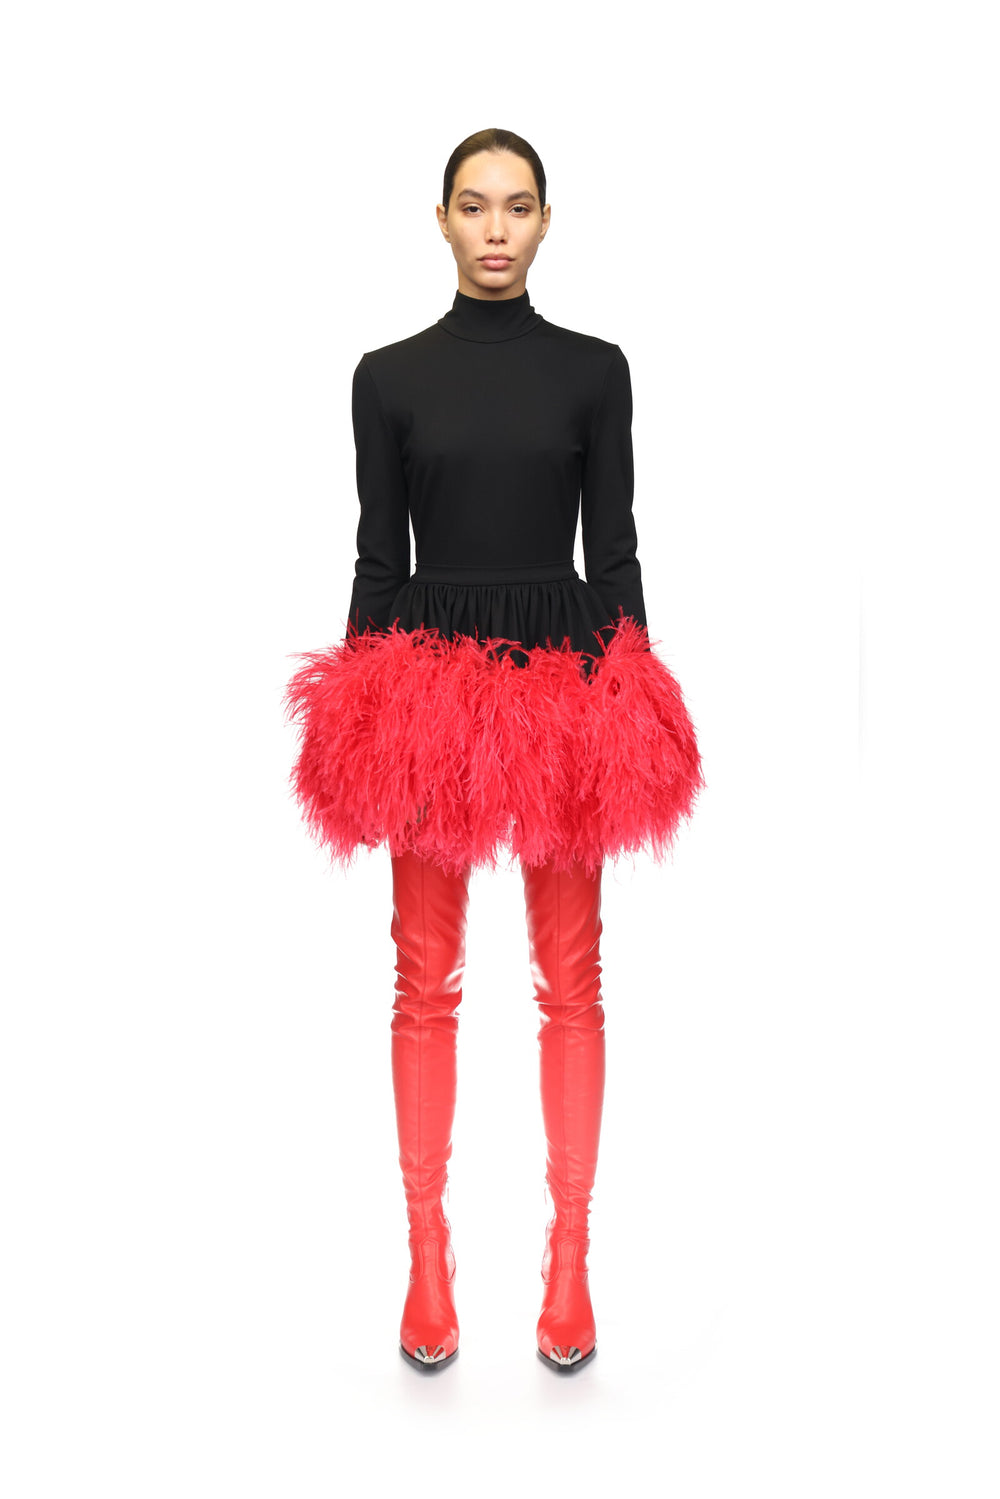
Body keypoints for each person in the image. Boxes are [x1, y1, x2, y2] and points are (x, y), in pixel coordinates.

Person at [283, 128, 705, 1373]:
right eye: (474, 206)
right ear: (441, 220)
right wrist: (357, 712)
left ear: (546, 221)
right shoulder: (385, 377)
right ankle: (428, 1258)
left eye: (517, 206)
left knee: (571, 978)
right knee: (423, 977)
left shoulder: (595, 370)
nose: (496, 229)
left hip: (561, 682)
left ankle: (569, 1260)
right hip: (428, 685)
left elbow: (613, 545)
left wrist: (636, 685)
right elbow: (379, 553)